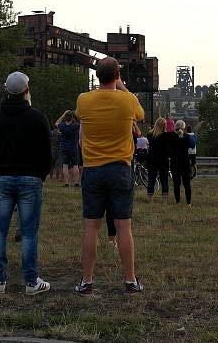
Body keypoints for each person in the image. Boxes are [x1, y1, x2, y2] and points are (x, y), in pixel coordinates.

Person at [73, 57, 145, 296]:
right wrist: (122, 86)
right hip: (120, 169)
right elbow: (141, 116)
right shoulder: (128, 100)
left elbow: (80, 117)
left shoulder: (84, 100)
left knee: (91, 227)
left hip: (93, 169)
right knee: (124, 226)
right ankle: (130, 281)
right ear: (117, 76)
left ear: (96, 76)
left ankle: (87, 281)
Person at [0, 71, 52, 295]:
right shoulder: (37, 117)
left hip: (3, 178)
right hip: (31, 179)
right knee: (29, 231)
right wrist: (41, 174)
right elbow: (47, 153)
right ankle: (31, 281)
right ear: (26, 90)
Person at [146, 117, 170, 203]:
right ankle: (165, 201)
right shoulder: (166, 136)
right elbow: (168, 149)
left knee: (151, 180)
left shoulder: (150, 134)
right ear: (164, 125)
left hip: (152, 159)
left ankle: (150, 201)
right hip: (163, 159)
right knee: (164, 180)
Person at [55, 110, 80, 187]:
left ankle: (66, 183)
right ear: (72, 118)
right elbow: (81, 124)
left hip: (64, 148)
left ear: (65, 118)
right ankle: (76, 182)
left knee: (65, 166)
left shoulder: (62, 126)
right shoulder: (75, 126)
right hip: (73, 148)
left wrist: (63, 115)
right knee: (75, 166)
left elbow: (56, 123)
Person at [170, 120, 192, 206]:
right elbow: (192, 146)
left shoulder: (172, 137)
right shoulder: (187, 137)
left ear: (175, 127)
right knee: (187, 184)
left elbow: (169, 150)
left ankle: (177, 201)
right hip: (185, 162)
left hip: (175, 162)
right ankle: (188, 203)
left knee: (176, 184)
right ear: (184, 127)